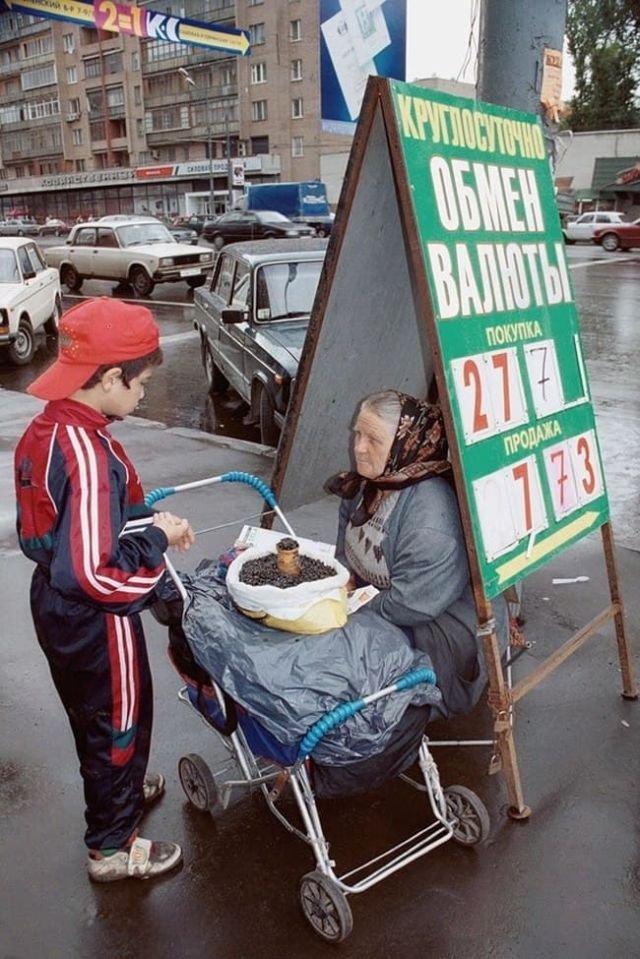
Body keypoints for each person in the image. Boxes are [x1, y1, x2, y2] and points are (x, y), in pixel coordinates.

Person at [14, 297, 195, 883]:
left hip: (59, 611)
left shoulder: (51, 428)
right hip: (97, 618)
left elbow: (71, 532)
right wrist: (157, 547)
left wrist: (153, 526)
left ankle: (120, 791)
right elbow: (95, 573)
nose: (142, 395)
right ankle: (113, 846)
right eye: (140, 384)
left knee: (96, 715)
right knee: (120, 720)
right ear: (111, 377)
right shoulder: (89, 454)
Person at [327, 389, 508, 721]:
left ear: (404, 445)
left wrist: (348, 604)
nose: (358, 447)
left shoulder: (431, 519)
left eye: (373, 440)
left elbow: (411, 605)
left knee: (335, 663)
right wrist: (343, 580)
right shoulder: (366, 485)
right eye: (357, 433)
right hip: (378, 603)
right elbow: (344, 552)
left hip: (437, 631)